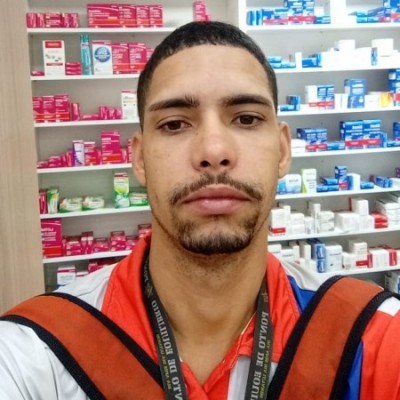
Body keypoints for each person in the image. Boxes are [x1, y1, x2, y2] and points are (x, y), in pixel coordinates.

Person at [1, 20, 400, 400]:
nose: (213, 151)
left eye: (246, 118)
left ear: (282, 152)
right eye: (175, 124)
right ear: (139, 159)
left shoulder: (371, 332)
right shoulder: (35, 352)